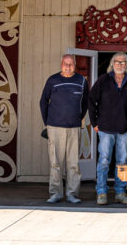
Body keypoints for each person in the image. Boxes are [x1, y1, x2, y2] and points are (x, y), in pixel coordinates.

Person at [89, 51, 127, 205]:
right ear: (112, 63)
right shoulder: (103, 80)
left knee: (122, 162)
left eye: (123, 62)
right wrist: (94, 122)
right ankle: (101, 192)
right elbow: (91, 100)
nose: (120, 64)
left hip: (124, 129)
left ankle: (120, 192)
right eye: (117, 61)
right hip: (105, 128)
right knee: (104, 161)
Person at [39, 54, 89, 204]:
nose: (68, 67)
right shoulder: (52, 80)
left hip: (74, 128)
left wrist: (77, 118)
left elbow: (85, 103)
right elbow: (43, 102)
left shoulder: (81, 81)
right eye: (65, 64)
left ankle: (72, 194)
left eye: (71, 64)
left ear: (75, 65)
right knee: (55, 163)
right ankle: (56, 193)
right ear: (61, 64)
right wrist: (48, 122)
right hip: (55, 127)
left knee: (73, 163)